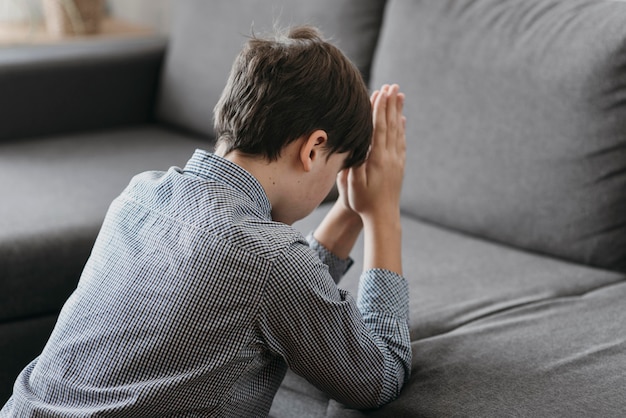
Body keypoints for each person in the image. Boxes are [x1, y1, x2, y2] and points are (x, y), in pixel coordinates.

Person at [1, 25, 409, 417]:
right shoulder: (268, 259)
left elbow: (275, 293)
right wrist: (384, 214)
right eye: (337, 171)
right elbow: (377, 378)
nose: (330, 188)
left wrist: (351, 211)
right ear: (314, 148)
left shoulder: (139, 194)